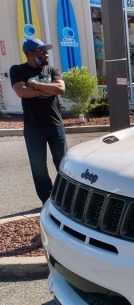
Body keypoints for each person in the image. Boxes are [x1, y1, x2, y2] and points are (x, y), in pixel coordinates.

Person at [10, 38, 67, 205]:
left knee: (63, 164)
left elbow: (60, 89)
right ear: (29, 54)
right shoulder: (18, 70)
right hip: (33, 127)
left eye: (46, 51)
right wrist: (49, 87)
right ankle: (48, 201)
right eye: (41, 51)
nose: (46, 54)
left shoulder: (52, 69)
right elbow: (22, 92)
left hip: (55, 124)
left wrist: (34, 84)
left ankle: (65, 199)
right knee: (39, 167)